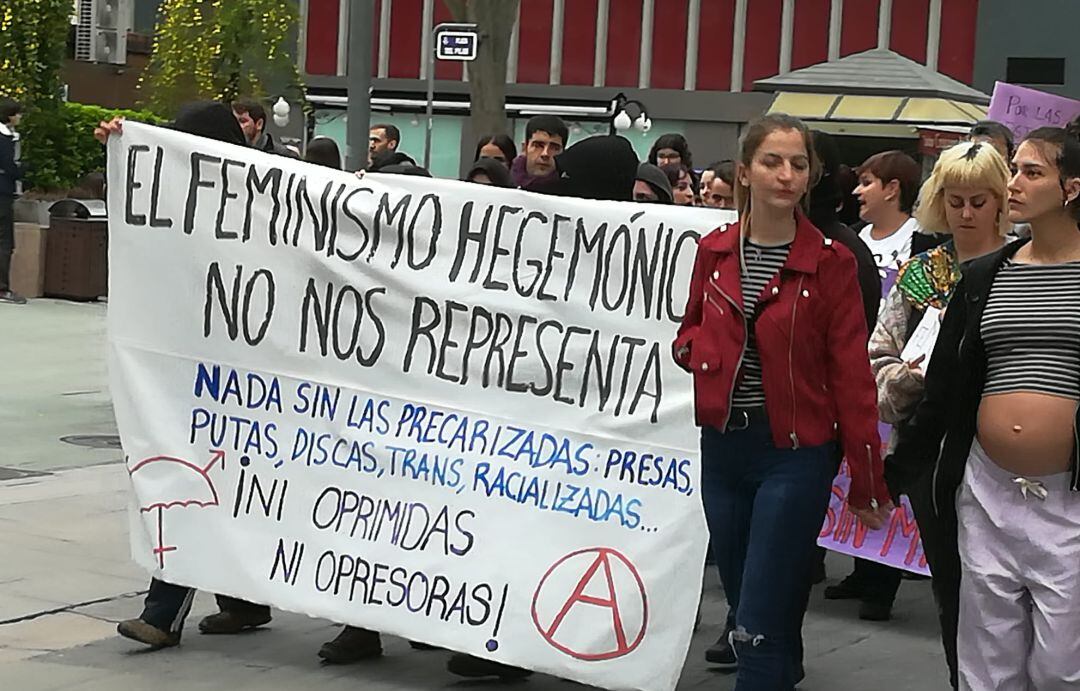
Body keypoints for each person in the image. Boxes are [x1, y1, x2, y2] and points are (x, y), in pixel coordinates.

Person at [674, 113, 891, 690]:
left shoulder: (832, 260)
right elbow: (689, 328)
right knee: (748, 597)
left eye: (799, 164)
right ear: (745, 171)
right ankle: (778, 668)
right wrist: (696, 348)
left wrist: (868, 479)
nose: (787, 174)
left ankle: (767, 673)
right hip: (722, 447)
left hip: (793, 452)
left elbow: (852, 375)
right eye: (773, 161)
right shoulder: (714, 250)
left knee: (759, 619)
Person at [890, 122, 1080, 691]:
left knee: (1062, 664)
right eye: (1015, 168)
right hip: (986, 490)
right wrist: (899, 471)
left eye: (1031, 171)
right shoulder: (983, 276)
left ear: (1072, 187)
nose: (1014, 181)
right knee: (986, 656)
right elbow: (947, 387)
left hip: (1069, 498)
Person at [866, 140, 1010, 687]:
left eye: (979, 201)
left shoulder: (1025, 265)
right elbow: (878, 365)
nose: (967, 213)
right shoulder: (924, 275)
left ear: (1001, 200)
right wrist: (916, 376)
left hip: (1010, 457)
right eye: (956, 202)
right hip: (934, 457)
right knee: (953, 591)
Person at [0, 98, 26, 305]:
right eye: (18, 114)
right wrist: (22, 171)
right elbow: (10, 166)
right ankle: (2, 288)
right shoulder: (5, 138)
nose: (20, 117)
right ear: (10, 115)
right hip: (2, 193)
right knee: (5, 240)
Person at [510, 115, 567, 192]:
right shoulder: (501, 183)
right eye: (538, 145)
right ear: (525, 148)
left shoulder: (572, 192)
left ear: (563, 152)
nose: (545, 154)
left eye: (554, 148)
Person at [231, 98, 296, 158]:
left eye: (242, 121)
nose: (236, 125)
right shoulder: (230, 151)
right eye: (233, 121)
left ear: (259, 124)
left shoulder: (283, 156)